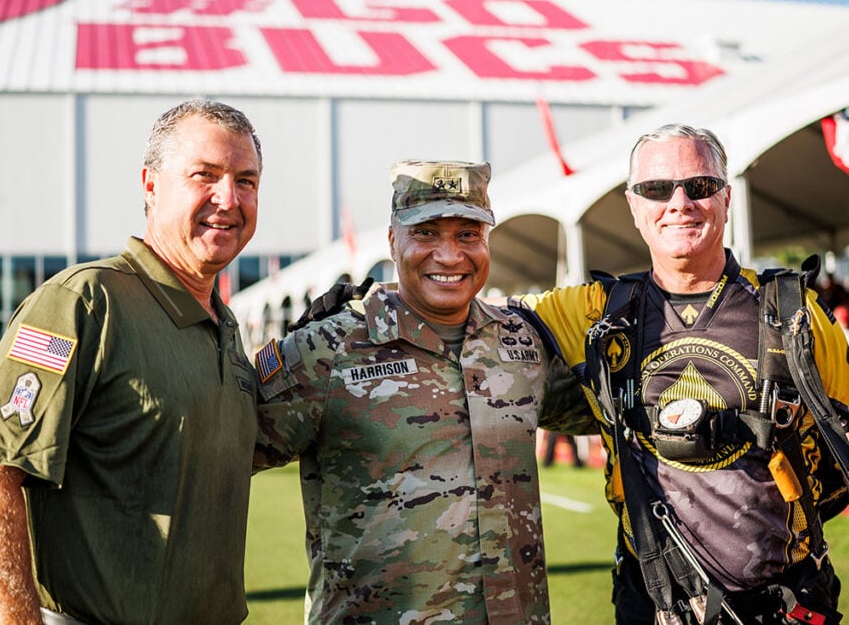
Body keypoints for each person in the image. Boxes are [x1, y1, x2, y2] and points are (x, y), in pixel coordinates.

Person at [512, 124, 849, 622]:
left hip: (784, 601)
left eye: (697, 186)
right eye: (656, 189)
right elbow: (468, 317)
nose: (678, 202)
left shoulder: (791, 311)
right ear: (634, 206)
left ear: (724, 197)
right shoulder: (594, 311)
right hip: (653, 600)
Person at [0, 99, 263, 624]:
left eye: (246, 180)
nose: (227, 198)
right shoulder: (84, 302)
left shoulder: (224, 327)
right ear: (151, 184)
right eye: (204, 175)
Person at [253, 159, 594, 623]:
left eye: (468, 234)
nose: (450, 255)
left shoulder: (521, 343)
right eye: (428, 232)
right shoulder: (325, 350)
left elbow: (611, 414)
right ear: (393, 240)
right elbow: (215, 461)